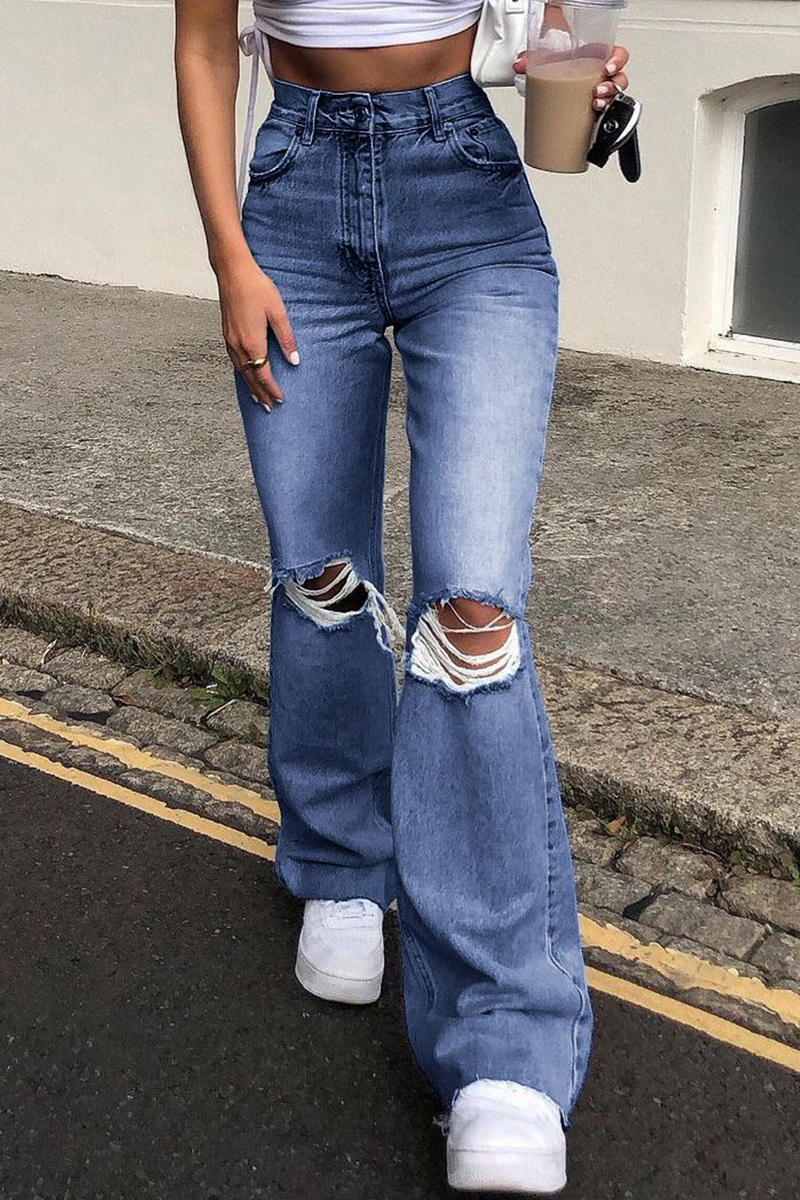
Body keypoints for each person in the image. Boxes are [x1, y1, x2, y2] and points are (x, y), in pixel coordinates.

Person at [173, 1, 630, 1192]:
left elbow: (547, 26)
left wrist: (576, 68)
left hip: (465, 198)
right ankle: (339, 858)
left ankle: (504, 1041)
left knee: (473, 610)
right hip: (292, 201)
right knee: (321, 576)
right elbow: (206, 43)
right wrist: (228, 257)